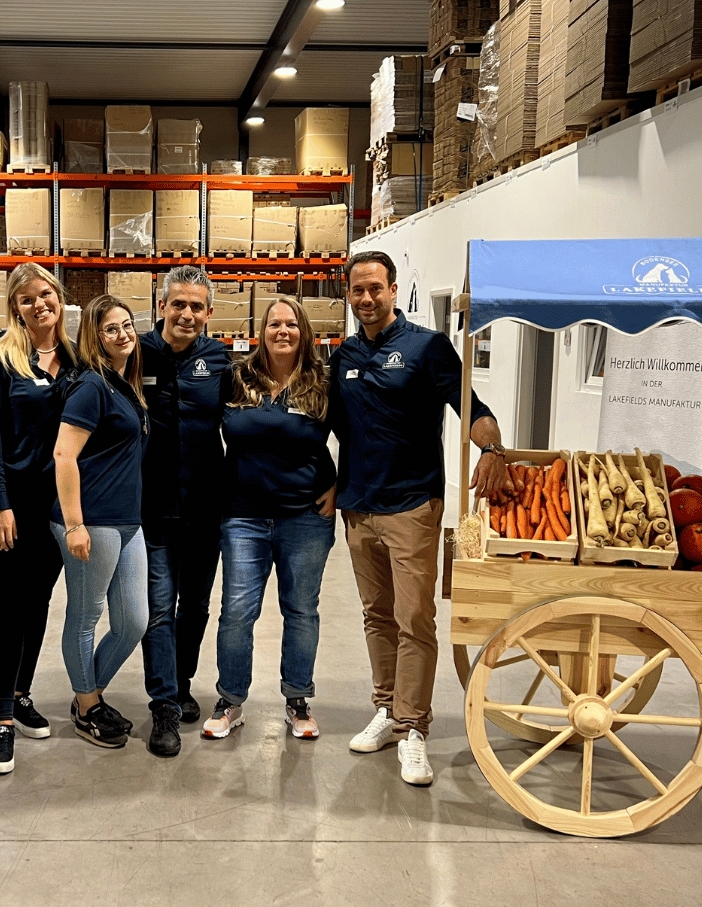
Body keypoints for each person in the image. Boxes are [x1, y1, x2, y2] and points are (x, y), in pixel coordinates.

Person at [330, 251, 510, 786]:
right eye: (358, 290)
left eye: (376, 289)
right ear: (349, 294)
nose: (367, 298)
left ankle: (414, 729)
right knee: (376, 617)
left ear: (393, 290)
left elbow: (471, 408)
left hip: (412, 507)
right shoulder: (343, 355)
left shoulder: (428, 348)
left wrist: (493, 448)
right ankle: (386, 710)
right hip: (358, 509)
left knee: (415, 621)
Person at [202, 297, 336, 743]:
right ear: (262, 331)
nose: (283, 330)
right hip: (243, 517)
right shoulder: (236, 378)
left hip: (305, 518)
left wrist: (338, 483)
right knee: (237, 611)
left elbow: (359, 437)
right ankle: (231, 700)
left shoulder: (322, 383)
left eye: (291, 323)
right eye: (274, 323)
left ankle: (297, 700)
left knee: (301, 610)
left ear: (305, 332)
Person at [0, 264, 81, 775]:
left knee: (38, 603)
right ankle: (0, 723)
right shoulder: (2, 359)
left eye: (46, 294)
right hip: (12, 504)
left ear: (59, 299)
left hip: (55, 508)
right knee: (11, 608)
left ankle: (20, 694)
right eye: (26, 299)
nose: (39, 304)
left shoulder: (76, 361)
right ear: (15, 308)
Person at [52, 294, 150, 749]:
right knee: (86, 616)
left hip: (129, 522)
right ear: (94, 336)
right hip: (93, 521)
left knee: (133, 621)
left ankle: (88, 693)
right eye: (111, 329)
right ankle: (88, 706)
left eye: (127, 325)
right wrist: (74, 525)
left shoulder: (123, 383)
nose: (123, 334)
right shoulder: (91, 385)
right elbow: (63, 454)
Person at [139, 265, 229, 757]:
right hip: (151, 507)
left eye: (197, 306)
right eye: (179, 304)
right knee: (158, 609)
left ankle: (181, 681)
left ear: (209, 313)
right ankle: (163, 708)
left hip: (205, 508)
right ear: (162, 307)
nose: (187, 314)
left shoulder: (218, 359)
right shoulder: (137, 352)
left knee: (194, 606)